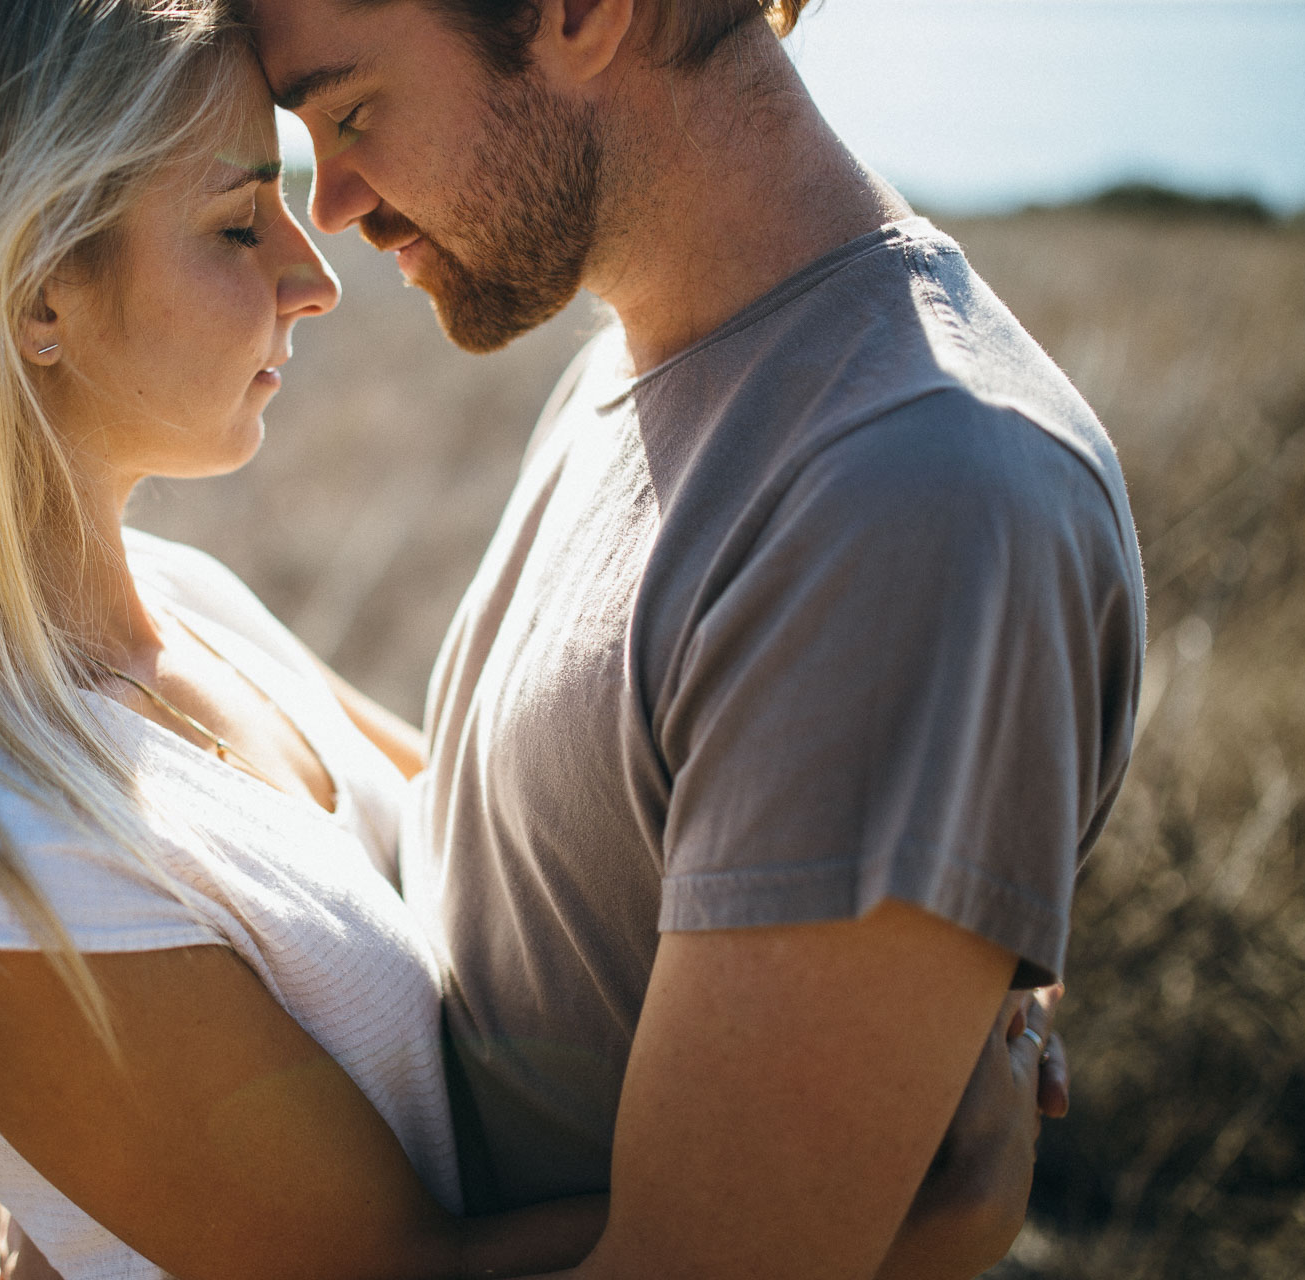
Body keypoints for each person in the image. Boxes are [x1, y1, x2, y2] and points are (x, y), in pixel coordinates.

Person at [0, 0, 1084, 1277]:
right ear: (34, 292)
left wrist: (893, 980)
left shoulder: (183, 609)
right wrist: (922, 1216)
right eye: (244, 220)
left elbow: (481, 849)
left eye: (342, 123)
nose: (323, 257)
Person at [231, 0, 1140, 1275]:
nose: (333, 203)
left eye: (354, 111)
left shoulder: (911, 496)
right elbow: (525, 877)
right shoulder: (641, 356)